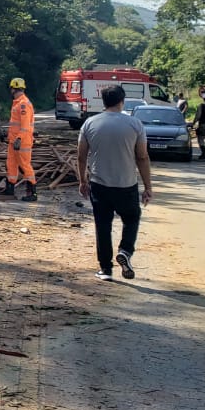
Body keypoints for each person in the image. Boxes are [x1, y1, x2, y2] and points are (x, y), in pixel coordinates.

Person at [77, 84, 153, 281]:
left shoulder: (89, 124)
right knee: (132, 218)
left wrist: (82, 181)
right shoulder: (135, 124)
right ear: (122, 101)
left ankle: (106, 270)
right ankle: (125, 251)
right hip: (126, 185)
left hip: (99, 185)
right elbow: (142, 157)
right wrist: (148, 187)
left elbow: (81, 156)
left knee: (102, 226)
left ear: (103, 102)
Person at [4, 77, 37, 201]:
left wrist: (19, 139)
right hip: (14, 141)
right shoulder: (18, 103)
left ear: (13, 88)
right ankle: (10, 189)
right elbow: (15, 124)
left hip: (22, 141)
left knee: (25, 165)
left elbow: (25, 126)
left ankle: (32, 193)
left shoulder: (23, 104)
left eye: (11, 88)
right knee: (11, 164)